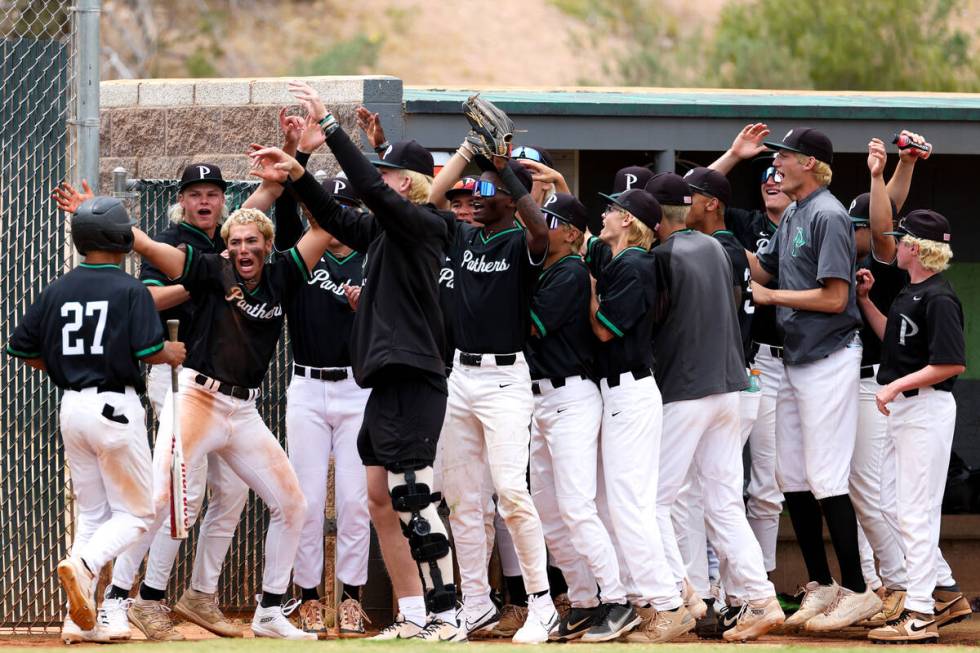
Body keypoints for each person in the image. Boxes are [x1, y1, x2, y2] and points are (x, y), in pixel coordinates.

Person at [273, 80, 464, 642]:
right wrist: (297, 172)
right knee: (381, 499)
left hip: (413, 376)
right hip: (385, 381)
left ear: (409, 183)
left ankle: (447, 615)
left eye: (388, 172)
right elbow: (335, 214)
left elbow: (368, 192)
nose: (380, 178)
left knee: (413, 496)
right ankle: (412, 614)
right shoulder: (385, 233)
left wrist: (331, 127)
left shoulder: (423, 225)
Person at [53, 164, 251, 642]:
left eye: (213, 194)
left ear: (224, 201)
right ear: (182, 200)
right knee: (172, 497)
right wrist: (199, 279)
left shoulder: (230, 238)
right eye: (195, 194)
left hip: (224, 384)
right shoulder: (170, 238)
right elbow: (145, 301)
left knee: (230, 493)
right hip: (175, 376)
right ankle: (129, 600)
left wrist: (291, 156)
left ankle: (194, 596)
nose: (205, 201)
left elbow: (263, 207)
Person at [126, 195, 335, 639]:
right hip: (199, 398)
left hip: (243, 411)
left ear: (268, 243)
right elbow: (155, 252)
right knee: (165, 496)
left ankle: (270, 611)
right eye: (236, 241)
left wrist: (300, 165)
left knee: (292, 504)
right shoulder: (212, 269)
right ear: (227, 248)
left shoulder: (284, 274)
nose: (244, 249)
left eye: (253, 241)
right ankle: (125, 599)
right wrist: (117, 229)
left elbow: (323, 228)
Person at [6, 197, 185, 644]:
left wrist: (70, 365)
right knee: (139, 513)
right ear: (118, 238)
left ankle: (77, 621)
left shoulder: (57, 288)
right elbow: (148, 351)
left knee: (92, 514)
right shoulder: (129, 290)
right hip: (115, 405)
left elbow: (24, 350)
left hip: (73, 407)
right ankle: (85, 566)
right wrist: (172, 352)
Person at [751, 127, 883, 631]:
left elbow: (833, 298)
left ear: (809, 163)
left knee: (826, 475)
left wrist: (773, 299)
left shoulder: (827, 213)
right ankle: (822, 583)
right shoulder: (794, 213)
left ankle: (856, 588)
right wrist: (709, 234)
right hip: (795, 359)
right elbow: (761, 271)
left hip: (829, 355)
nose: (776, 164)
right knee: (791, 477)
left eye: (783, 156)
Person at [645, 173, 784, 642]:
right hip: (731, 389)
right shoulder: (716, 248)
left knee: (654, 501)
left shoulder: (661, 256)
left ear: (655, 216)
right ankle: (760, 598)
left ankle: (681, 597)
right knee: (723, 502)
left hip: (686, 391)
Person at [437, 143, 560, 643]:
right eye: (474, 190)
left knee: (510, 491)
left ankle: (541, 603)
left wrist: (507, 173)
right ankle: (476, 604)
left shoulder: (519, 240)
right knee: (463, 500)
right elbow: (436, 196)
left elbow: (540, 229)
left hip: (506, 379)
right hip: (460, 377)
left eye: (487, 190)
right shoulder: (464, 235)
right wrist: (469, 155)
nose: (475, 196)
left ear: (509, 198)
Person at [524, 193, 636, 642]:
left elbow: (531, 325)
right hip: (541, 400)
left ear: (571, 232)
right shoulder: (547, 268)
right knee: (549, 511)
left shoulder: (570, 270)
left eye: (547, 221)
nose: (540, 227)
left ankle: (617, 599)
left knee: (575, 506)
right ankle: (585, 600)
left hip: (571, 396)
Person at [856, 209, 967, 643]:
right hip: (902, 406)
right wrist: (866, 302)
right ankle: (945, 590)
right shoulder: (911, 291)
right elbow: (897, 340)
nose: (895, 244)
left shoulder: (940, 296)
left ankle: (920, 611)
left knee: (915, 513)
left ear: (917, 248)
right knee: (889, 504)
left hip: (926, 407)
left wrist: (895, 385)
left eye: (901, 239)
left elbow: (951, 362)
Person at [587, 188, 692, 643]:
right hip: (622, 393)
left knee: (631, 505)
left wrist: (587, 289)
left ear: (628, 221)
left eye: (613, 209)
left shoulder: (634, 264)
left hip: (631, 390)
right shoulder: (623, 259)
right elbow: (586, 239)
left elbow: (603, 331)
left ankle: (668, 605)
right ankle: (654, 600)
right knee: (619, 504)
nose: (606, 214)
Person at [272, 165, 373, 636]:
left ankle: (351, 599)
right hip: (308, 387)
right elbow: (287, 200)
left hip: (358, 387)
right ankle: (308, 597)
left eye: (343, 208)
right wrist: (298, 156)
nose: (334, 219)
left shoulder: (372, 256)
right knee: (306, 501)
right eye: (325, 210)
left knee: (356, 501)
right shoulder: (302, 254)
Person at [708, 125, 790, 584]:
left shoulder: (811, 224)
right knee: (727, 479)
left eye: (779, 174)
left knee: (771, 486)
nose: (771, 181)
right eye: (764, 176)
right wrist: (734, 155)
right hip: (754, 358)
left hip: (805, 362)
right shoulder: (745, 223)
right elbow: (695, 193)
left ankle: (763, 581)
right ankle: (731, 584)